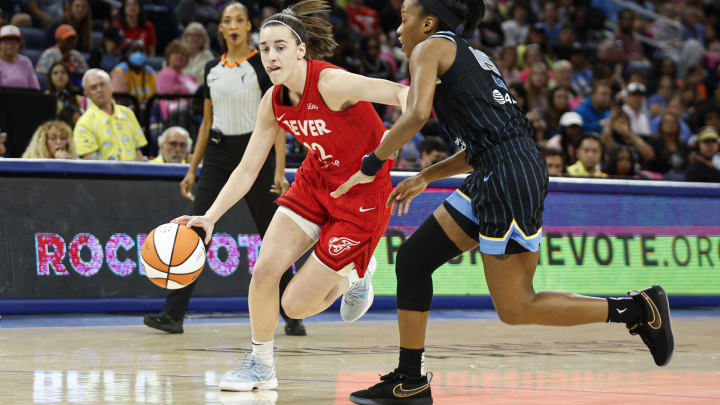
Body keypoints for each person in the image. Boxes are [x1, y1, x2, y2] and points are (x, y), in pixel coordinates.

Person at [331, 2, 674, 403]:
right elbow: (486, 142)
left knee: (516, 306)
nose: (398, 29)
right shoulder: (470, 55)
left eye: (405, 18)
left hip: (505, 174)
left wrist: (372, 162)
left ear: (427, 22)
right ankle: (410, 379)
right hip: (502, 168)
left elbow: (416, 114)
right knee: (413, 261)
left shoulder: (430, 48)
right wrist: (425, 175)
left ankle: (636, 309)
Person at [170, 0, 408, 391]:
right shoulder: (273, 102)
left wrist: (405, 130)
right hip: (316, 182)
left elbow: (399, 93)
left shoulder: (332, 83)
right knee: (264, 271)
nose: (270, 55)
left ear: (301, 49)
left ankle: (355, 275)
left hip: (362, 195)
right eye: (264, 48)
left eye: (280, 46)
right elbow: (247, 169)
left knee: (294, 306)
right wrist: (209, 217)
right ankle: (261, 366)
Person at [143, 2, 313, 338]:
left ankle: (292, 312)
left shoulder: (262, 67)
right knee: (196, 228)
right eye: (226, 21)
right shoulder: (211, 68)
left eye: (238, 20)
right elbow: (206, 122)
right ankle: (172, 314)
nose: (232, 26)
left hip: (256, 152)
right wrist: (193, 168)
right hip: (219, 156)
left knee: (272, 236)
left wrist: (279, 169)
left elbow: (276, 121)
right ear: (220, 28)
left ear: (248, 25)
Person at [73, 69, 147, 161]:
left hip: (134, 174)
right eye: (93, 87)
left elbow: (137, 152)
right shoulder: (84, 124)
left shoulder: (128, 114)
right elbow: (91, 167)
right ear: (86, 94)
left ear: (111, 86)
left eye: (102, 84)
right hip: (105, 175)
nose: (99, 90)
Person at [0, 25, 40, 90]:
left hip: (24, 99)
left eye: (14, 41)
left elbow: (35, 89)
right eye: (6, 41)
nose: (10, 45)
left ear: (19, 44)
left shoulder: (26, 62)